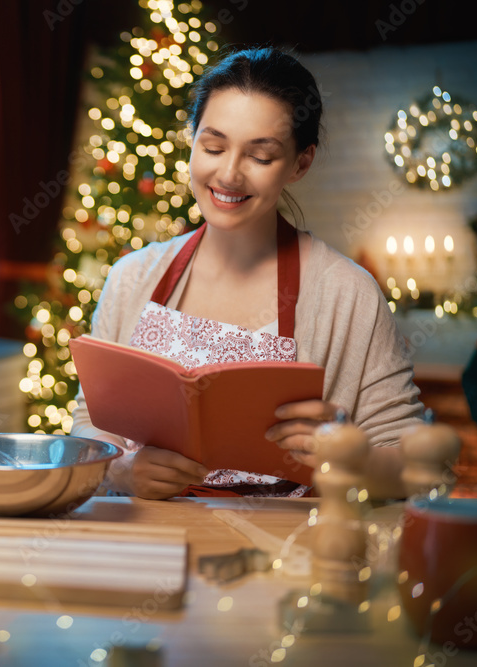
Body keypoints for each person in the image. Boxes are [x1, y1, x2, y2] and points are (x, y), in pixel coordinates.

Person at [70, 47, 423, 500]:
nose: (229, 175)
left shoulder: (346, 292)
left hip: (285, 556)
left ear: (301, 163)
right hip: (146, 548)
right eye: (213, 147)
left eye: (261, 156)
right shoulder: (131, 277)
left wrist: (351, 458)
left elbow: (416, 465)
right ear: (191, 140)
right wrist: (121, 472)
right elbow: (91, 425)